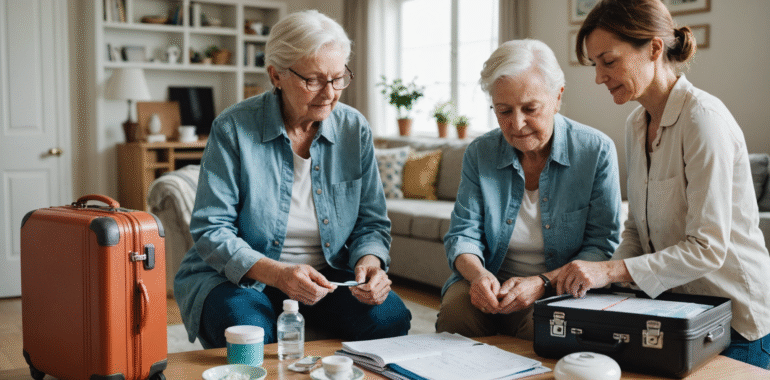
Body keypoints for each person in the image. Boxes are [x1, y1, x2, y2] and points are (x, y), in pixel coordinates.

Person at [174, 10, 411, 348]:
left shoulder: (353, 128)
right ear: (276, 76)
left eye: (338, 77)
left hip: (326, 277)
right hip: (241, 277)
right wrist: (279, 274)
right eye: (313, 80)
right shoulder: (233, 128)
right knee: (249, 331)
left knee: (390, 316)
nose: (329, 93)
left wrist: (369, 264)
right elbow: (211, 229)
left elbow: (371, 222)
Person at [559, 0, 770, 368]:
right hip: (677, 313)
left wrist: (609, 271)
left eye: (608, 61)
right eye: (595, 65)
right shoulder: (635, 125)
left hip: (736, 324)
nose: (598, 77)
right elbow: (636, 230)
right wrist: (606, 289)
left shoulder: (704, 121)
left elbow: (707, 249)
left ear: (655, 48)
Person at [436, 39, 622, 340]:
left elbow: (602, 245)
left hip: (559, 284)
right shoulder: (480, 153)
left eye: (530, 108)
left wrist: (542, 283)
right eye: (504, 110)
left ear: (557, 97)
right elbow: (462, 235)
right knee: (456, 312)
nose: (517, 124)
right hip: (492, 280)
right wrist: (479, 275)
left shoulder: (595, 151)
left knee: (545, 327)